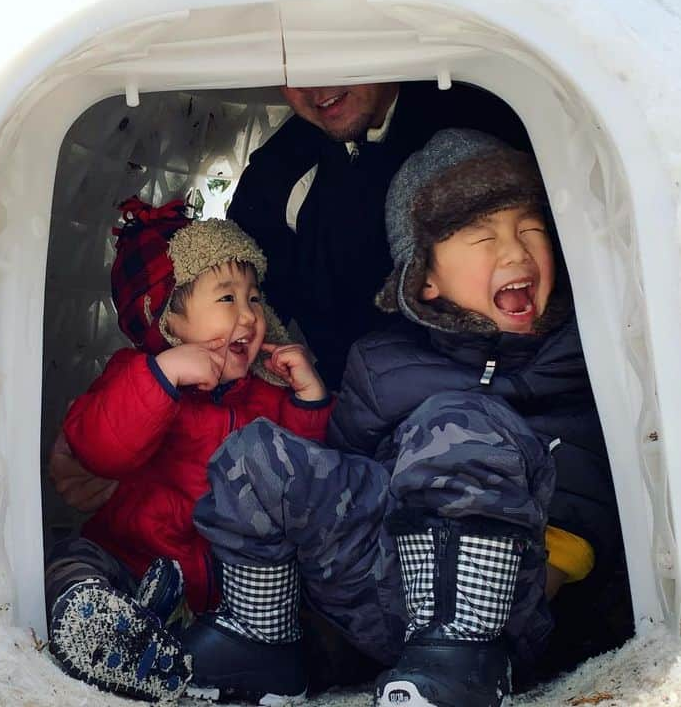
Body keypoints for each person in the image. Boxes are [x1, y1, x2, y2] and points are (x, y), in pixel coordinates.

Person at [182, 130, 626, 707]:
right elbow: (345, 480)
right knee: (259, 454)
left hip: (500, 595)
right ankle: (264, 643)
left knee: (459, 425)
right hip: (385, 574)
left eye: (530, 229)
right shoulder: (381, 359)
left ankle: (460, 660)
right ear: (425, 279)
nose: (515, 253)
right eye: (482, 237)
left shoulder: (581, 354)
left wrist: (536, 589)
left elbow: (589, 489)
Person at [44, 197, 332, 703]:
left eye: (255, 298)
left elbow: (300, 477)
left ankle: (163, 647)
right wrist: (165, 377)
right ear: (168, 321)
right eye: (226, 299)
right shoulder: (135, 374)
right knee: (73, 560)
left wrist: (309, 399)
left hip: (224, 595)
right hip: (129, 556)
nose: (248, 316)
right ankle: (101, 625)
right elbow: (101, 452)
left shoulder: (265, 394)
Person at [228, 81, 528, 390]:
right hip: (351, 396)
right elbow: (245, 299)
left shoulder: (490, 120)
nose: (316, 88)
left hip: (509, 378)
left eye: (330, 55)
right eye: (293, 74)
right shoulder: (277, 170)